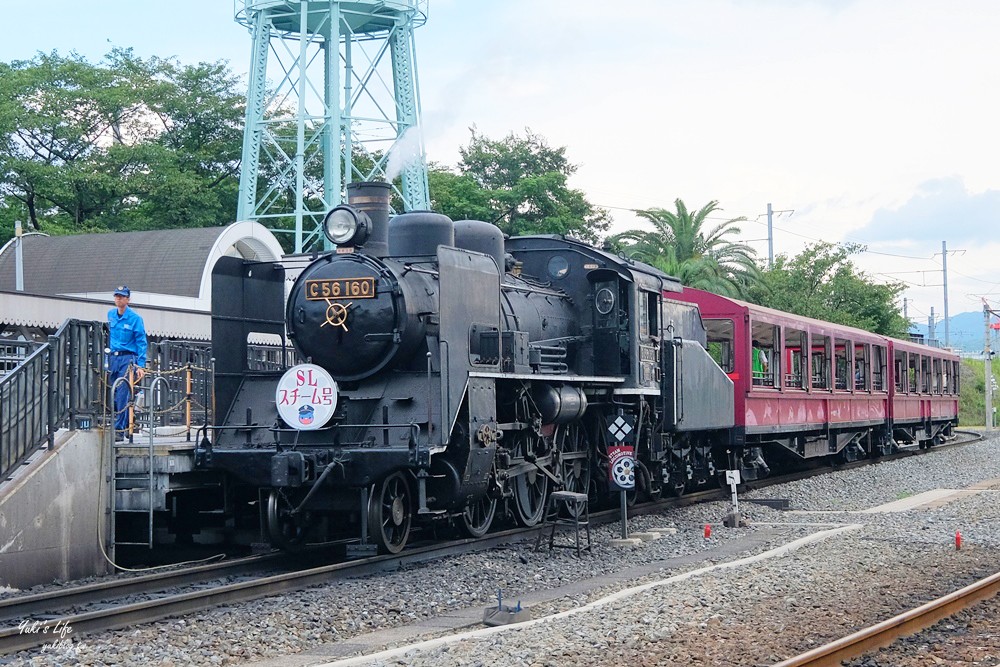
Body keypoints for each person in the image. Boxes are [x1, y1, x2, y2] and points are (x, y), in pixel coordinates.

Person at [108, 285, 147, 440]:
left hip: (128, 358)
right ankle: (124, 425)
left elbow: (141, 342)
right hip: (113, 357)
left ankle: (118, 429)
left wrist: (140, 365)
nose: (119, 299)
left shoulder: (135, 319)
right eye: (117, 296)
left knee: (123, 392)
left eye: (122, 296)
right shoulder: (110, 314)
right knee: (113, 391)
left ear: (128, 299)